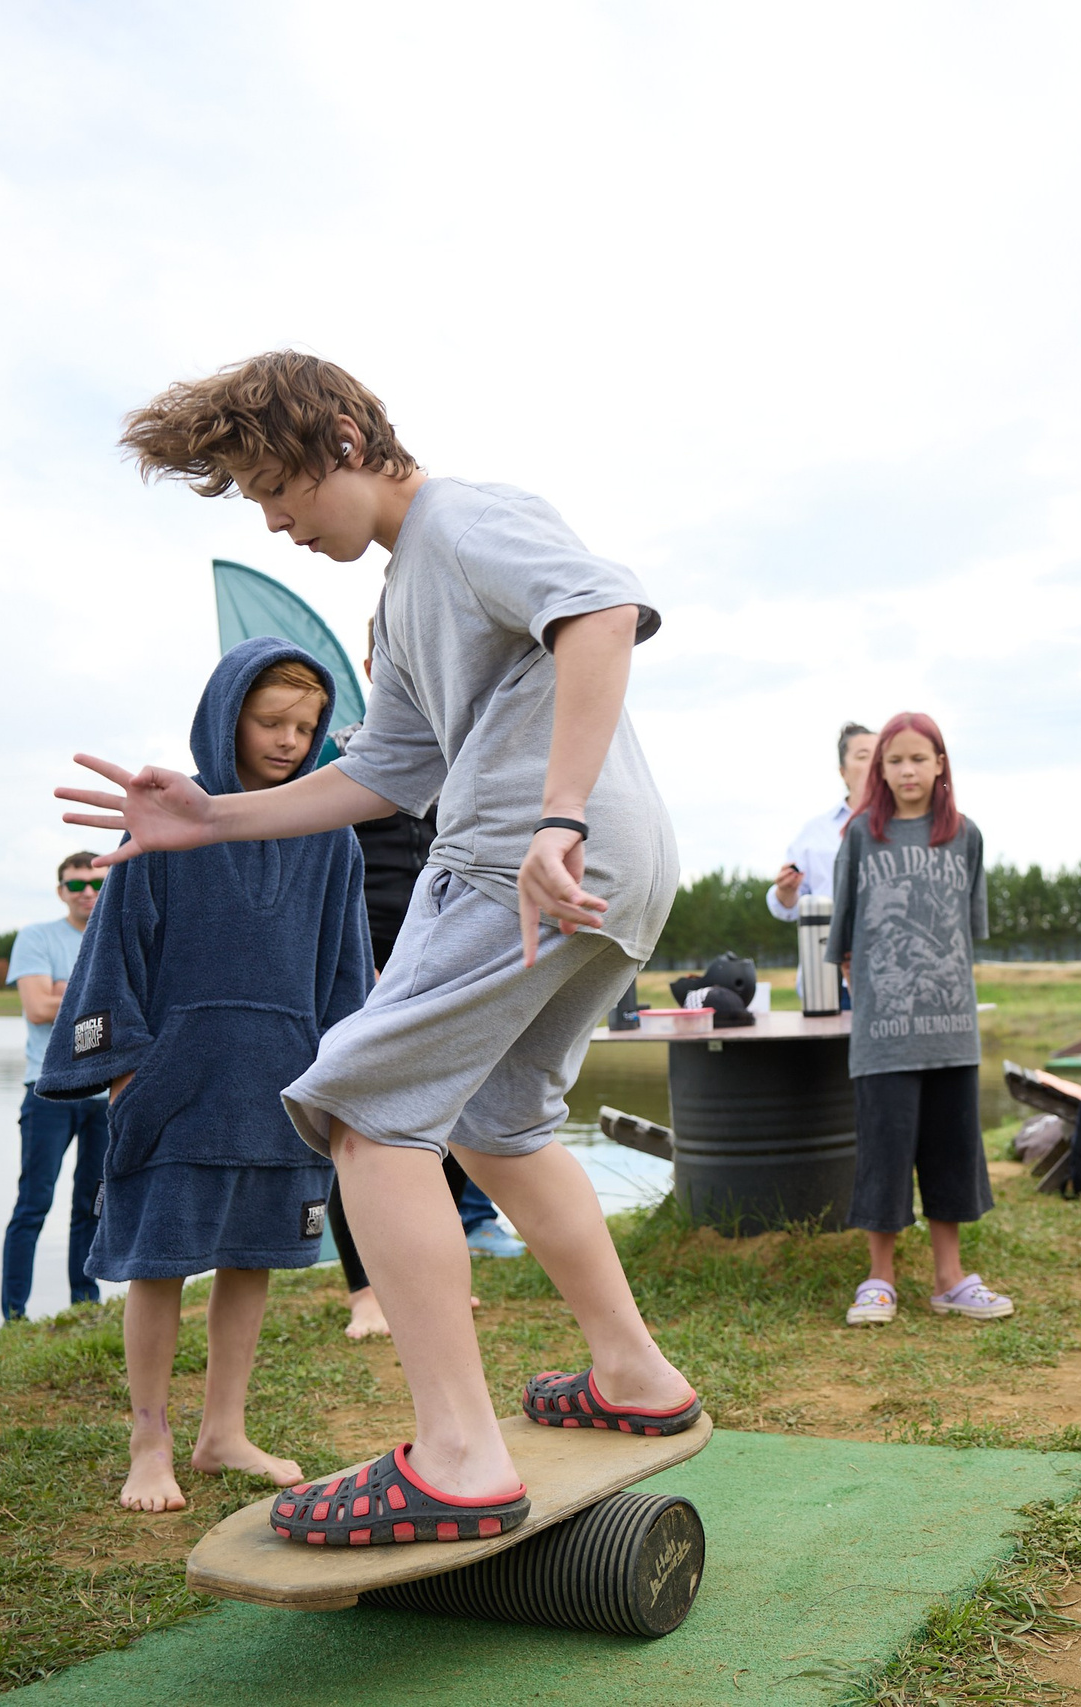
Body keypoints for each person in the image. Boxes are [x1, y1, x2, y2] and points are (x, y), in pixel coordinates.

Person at [69, 351, 699, 1548]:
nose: (274, 521)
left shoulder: (463, 519)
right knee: (498, 1122)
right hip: (600, 861)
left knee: (360, 1111)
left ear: (345, 443)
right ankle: (633, 1373)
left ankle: (457, 1457)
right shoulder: (406, 595)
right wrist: (209, 818)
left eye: (274, 487)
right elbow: (384, 772)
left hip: (525, 854)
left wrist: (555, 817)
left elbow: (602, 611)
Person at [38, 643, 370, 1510]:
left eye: (306, 725)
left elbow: (346, 969)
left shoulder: (331, 835)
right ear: (227, 715)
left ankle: (223, 1431)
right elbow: (114, 950)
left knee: (251, 1257)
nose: (290, 740)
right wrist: (122, 1069)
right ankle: (148, 1440)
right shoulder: (163, 819)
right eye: (271, 721)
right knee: (158, 1264)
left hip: (283, 1084)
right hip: (176, 1084)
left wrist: (343, 1071)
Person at [324, 631, 517, 1343]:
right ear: (373, 666)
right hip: (364, 959)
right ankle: (366, 1293)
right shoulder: (339, 758)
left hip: (447, 955)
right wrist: (358, 965)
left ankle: (437, 1276)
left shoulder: (470, 752)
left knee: (457, 1120)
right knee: (360, 1123)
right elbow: (324, 875)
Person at [825, 713, 1009, 1326]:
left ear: (940, 765)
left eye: (919, 759)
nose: (908, 771)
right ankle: (879, 1279)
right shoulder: (861, 835)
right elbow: (844, 936)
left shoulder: (965, 836)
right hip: (882, 1034)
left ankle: (949, 1279)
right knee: (884, 1154)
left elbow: (966, 932)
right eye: (895, 760)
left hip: (952, 1030)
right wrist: (874, 993)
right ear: (880, 769)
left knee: (951, 1153)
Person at [0, 853, 111, 1320]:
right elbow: (37, 1010)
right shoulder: (37, 937)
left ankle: (84, 1307)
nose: (87, 892)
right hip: (48, 1092)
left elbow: (140, 1008)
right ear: (60, 890)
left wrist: (63, 988)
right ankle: (14, 1315)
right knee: (34, 1204)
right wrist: (101, 996)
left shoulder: (118, 934)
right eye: (76, 884)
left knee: (92, 1205)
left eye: (97, 883)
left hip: (106, 1095)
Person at [769, 722, 877, 921]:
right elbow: (787, 908)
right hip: (829, 938)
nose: (874, 765)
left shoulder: (908, 825)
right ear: (843, 772)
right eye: (863, 757)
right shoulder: (816, 831)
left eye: (881, 757)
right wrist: (786, 891)